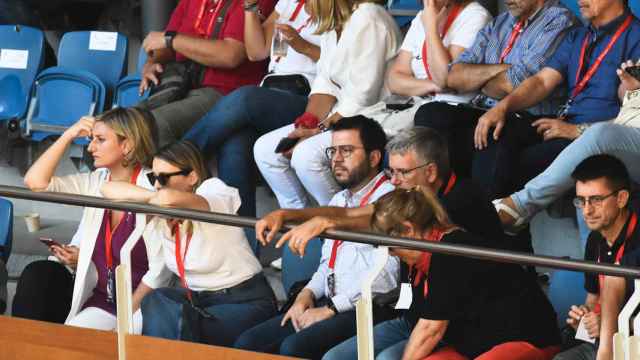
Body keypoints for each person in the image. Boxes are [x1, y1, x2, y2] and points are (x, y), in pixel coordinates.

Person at [419, 0, 640, 200]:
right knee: (484, 125)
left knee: (507, 154)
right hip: (560, 121)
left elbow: (630, 118)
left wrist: (577, 130)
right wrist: (503, 107)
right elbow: (541, 82)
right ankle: (452, 211)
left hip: (596, 133)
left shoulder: (635, 37)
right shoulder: (579, 36)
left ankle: (488, 225)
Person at [324, 187, 561, 360]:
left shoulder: (449, 250)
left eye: (390, 246)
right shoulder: (427, 249)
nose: (392, 254)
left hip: (524, 338)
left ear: (408, 230)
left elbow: (431, 329)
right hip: (471, 343)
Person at [234, 116, 399, 359]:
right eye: (333, 151)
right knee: (248, 342)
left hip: (370, 307)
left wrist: (331, 309)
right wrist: (307, 294)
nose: (336, 159)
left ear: (374, 158)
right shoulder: (340, 199)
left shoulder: (391, 198)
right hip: (330, 301)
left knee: (294, 348)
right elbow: (328, 264)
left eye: (347, 150)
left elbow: (387, 276)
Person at [100, 141, 277, 346]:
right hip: (199, 301)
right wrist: (154, 200)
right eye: (153, 177)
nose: (157, 185)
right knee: (157, 301)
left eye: (164, 178)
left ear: (192, 177)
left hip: (245, 301)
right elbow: (106, 189)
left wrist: (154, 201)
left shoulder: (214, 190)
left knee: (179, 325)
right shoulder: (161, 211)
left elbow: (166, 198)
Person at [181, 0, 322, 239]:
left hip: (310, 96)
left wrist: (301, 45)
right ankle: (241, 244)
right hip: (272, 88)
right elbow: (257, 52)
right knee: (235, 144)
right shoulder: (289, 3)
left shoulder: (336, 9)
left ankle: (179, 162)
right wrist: (249, 9)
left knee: (245, 98)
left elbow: (340, 63)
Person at [18, 108, 168, 332]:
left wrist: (125, 320)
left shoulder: (152, 186)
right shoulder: (96, 181)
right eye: (91, 139)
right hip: (104, 300)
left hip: (144, 304)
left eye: (100, 140)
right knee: (68, 344)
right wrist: (68, 135)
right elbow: (35, 182)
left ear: (127, 145)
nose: (90, 148)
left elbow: (161, 272)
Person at [260, 127, 506, 258]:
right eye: (391, 172)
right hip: (419, 301)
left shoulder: (462, 199)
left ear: (430, 172)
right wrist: (288, 214)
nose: (395, 181)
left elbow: (369, 220)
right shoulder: (411, 191)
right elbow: (354, 212)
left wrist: (326, 222)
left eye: (403, 173)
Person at [253, 0, 401, 210]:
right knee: (266, 150)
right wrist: (306, 124)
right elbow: (325, 82)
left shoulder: (369, 17)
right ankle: (298, 217)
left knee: (306, 156)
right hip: (340, 117)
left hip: (374, 116)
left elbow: (363, 95)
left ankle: (339, 220)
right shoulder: (334, 25)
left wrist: (318, 130)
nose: (304, 6)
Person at [137, 0, 276, 146]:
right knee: (124, 121)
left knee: (150, 126)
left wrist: (171, 39)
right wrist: (152, 62)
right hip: (181, 83)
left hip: (224, 93)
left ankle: (165, 166)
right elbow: (165, 44)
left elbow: (230, 55)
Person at [352, 0, 492, 135]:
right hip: (418, 105)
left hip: (452, 111)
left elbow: (445, 77)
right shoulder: (422, 16)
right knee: (356, 125)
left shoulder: (475, 16)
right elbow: (395, 79)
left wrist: (431, 29)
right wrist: (433, 85)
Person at [554, 154, 640, 360]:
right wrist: (585, 320)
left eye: (596, 200)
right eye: (581, 200)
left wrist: (611, 325)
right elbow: (593, 300)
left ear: (621, 198)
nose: (587, 210)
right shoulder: (595, 240)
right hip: (603, 342)